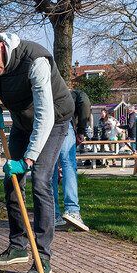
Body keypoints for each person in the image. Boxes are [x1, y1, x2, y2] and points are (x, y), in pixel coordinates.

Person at [0, 26, 75, 273]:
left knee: (40, 180)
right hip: (22, 121)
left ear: (1, 47)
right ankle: (17, 246)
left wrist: (28, 160)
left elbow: (45, 114)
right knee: (12, 180)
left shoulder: (35, 60)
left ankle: (43, 257)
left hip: (55, 119)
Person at [51, 89, 91, 231]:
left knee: (51, 169)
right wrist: (81, 130)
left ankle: (53, 214)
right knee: (68, 164)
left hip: (44, 122)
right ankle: (72, 210)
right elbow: (84, 100)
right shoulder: (73, 94)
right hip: (63, 123)